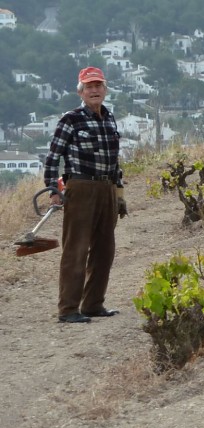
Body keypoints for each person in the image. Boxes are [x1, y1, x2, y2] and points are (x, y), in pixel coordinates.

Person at [44, 66, 127, 323]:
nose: (94, 90)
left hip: (106, 189)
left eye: (98, 85)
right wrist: (53, 189)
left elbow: (114, 161)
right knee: (76, 249)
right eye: (89, 87)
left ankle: (93, 304)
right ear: (80, 92)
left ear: (105, 89)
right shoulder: (70, 119)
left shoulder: (109, 118)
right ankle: (68, 309)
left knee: (105, 249)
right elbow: (53, 156)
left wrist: (119, 194)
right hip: (80, 187)